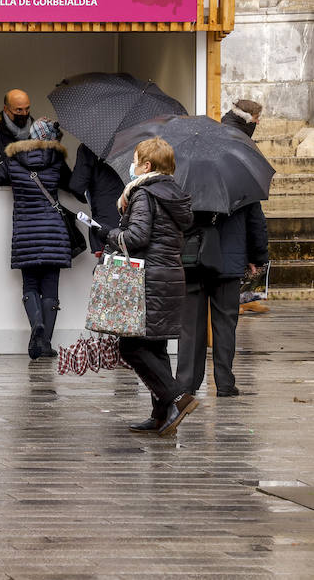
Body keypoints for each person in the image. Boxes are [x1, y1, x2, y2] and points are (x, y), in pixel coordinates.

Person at [106, 137, 197, 436]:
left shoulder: (144, 194)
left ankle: (176, 398)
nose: (131, 167)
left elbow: (137, 238)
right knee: (155, 345)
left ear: (146, 165)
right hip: (169, 276)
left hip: (149, 278)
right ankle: (161, 414)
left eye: (134, 161)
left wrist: (111, 233)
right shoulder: (173, 193)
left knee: (130, 345)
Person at [0, 119, 77, 358]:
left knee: (30, 285)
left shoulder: (13, 161)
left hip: (26, 233)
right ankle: (44, 344)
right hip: (54, 232)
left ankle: (37, 326)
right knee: (51, 288)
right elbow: (75, 187)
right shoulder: (57, 161)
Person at [176, 200, 268, 397]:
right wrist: (257, 257)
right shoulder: (242, 184)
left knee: (190, 326)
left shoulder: (185, 180)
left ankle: (186, 383)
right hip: (228, 263)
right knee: (225, 325)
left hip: (194, 259)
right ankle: (225, 383)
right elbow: (256, 225)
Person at [68, 142, 124, 254]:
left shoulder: (90, 145)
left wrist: (86, 198)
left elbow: (76, 185)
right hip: (126, 217)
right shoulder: (121, 140)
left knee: (109, 266)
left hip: (105, 221)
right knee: (124, 265)